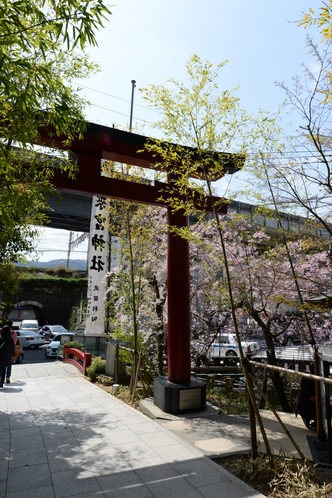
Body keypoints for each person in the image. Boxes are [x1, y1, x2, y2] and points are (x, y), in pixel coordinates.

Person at [297, 365, 317, 431]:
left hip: (305, 404)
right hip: (306, 406)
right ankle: (308, 417)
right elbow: (308, 395)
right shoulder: (309, 379)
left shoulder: (310, 378)